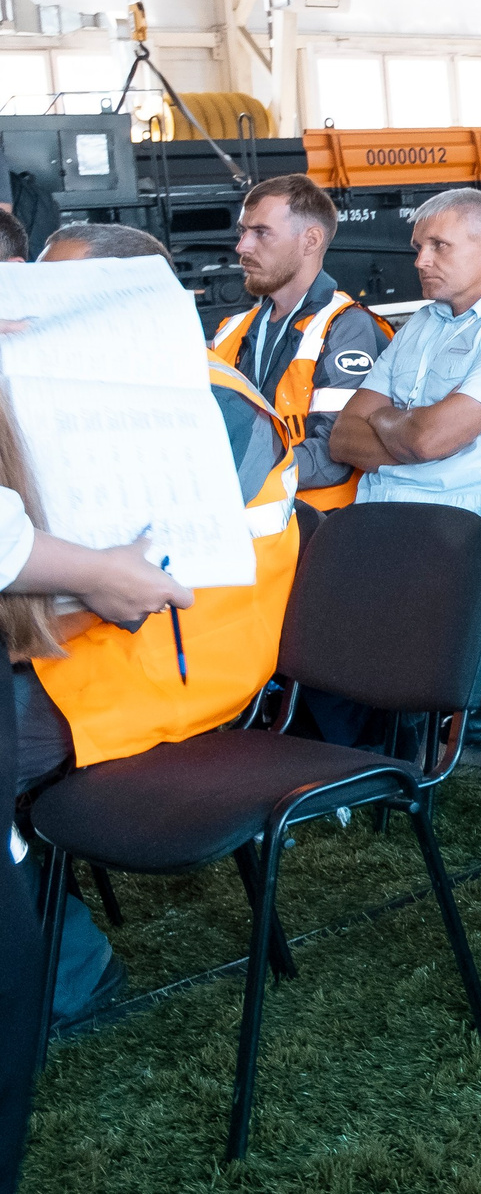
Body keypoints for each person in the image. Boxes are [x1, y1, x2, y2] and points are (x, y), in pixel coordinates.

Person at [22, 225, 295, 1028]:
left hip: (172, 657)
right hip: (95, 640)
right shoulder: (84, 389)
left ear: (129, 301)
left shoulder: (206, 405)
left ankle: (66, 973)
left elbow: (134, 573)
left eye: (54, 298)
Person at [3, 467, 198, 1180]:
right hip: (53, 642)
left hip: (129, 667)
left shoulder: (202, 404)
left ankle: (71, 970)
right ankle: (69, 965)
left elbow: (172, 572)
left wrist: (84, 585)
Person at [332, 189, 481, 517]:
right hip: (375, 509)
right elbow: (342, 438)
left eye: (439, 245)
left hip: (461, 525)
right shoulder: (421, 323)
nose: (421, 261)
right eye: (418, 247)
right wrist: (414, 433)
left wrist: (381, 416)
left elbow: (428, 440)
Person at [209, 172, 392, 512]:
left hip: (318, 531)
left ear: (310, 240)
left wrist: (223, 473)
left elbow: (332, 456)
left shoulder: (346, 327)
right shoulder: (231, 330)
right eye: (242, 231)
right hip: (244, 522)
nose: (242, 247)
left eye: (261, 232)